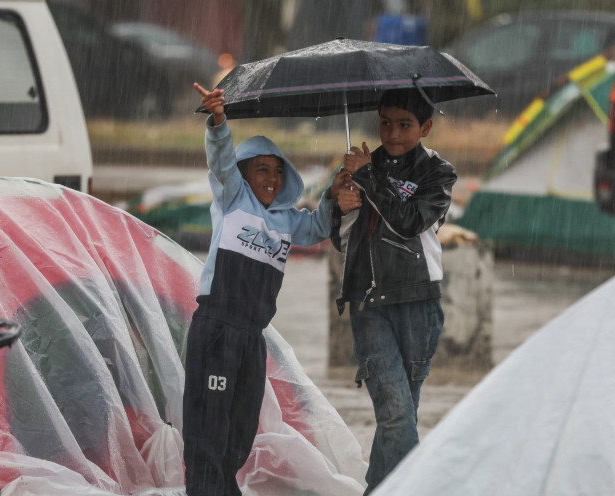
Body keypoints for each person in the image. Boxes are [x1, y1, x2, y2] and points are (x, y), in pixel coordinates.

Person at [183, 83, 346, 496]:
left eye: (278, 171)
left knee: (239, 429)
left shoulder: (288, 221)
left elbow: (321, 225)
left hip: (253, 338)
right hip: (217, 327)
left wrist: (340, 184)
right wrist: (219, 121)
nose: (271, 178)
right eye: (262, 170)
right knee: (209, 426)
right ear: (242, 175)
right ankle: (204, 489)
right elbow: (220, 160)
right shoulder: (232, 199)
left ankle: (224, 487)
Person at [330, 88, 457, 494]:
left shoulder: (438, 173)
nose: (393, 133)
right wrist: (339, 201)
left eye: (404, 125)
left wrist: (369, 177)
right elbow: (337, 237)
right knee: (397, 416)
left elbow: (408, 222)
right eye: (385, 122)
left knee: (401, 416)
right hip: (368, 304)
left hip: (418, 302)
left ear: (426, 127)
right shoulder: (359, 166)